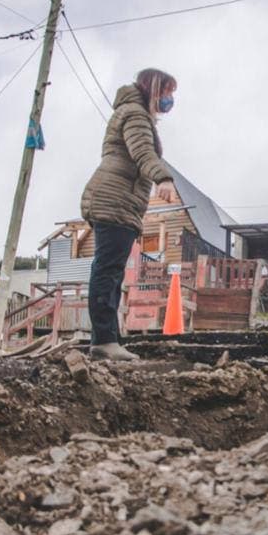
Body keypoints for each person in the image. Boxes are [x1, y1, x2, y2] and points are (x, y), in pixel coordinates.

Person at [80, 68, 178, 360]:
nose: (170, 100)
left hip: (119, 201)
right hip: (114, 200)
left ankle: (108, 340)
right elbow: (143, 152)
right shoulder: (136, 114)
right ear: (154, 90)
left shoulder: (133, 112)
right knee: (108, 271)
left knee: (111, 271)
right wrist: (163, 178)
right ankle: (103, 341)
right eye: (167, 92)